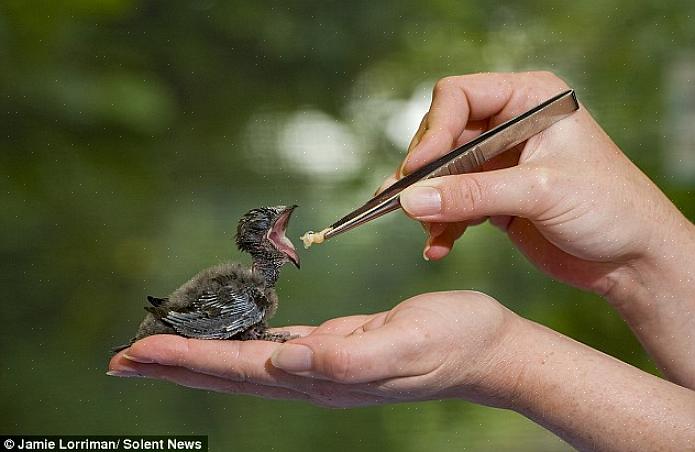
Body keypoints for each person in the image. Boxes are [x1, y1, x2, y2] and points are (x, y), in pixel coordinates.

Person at [108, 72, 695, 450]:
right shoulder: (247, 292)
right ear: (263, 240)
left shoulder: (251, 291)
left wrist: (508, 363)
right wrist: (648, 256)